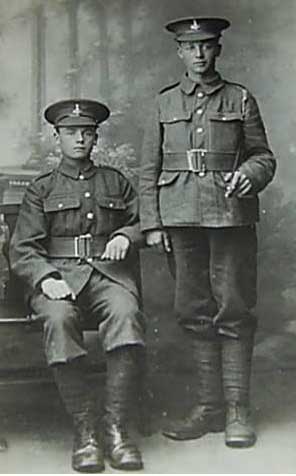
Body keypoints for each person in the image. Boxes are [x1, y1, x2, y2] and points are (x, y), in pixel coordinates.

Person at [139, 17, 276, 448]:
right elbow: (149, 171)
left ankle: (237, 410)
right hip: (180, 219)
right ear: (179, 52)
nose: (199, 55)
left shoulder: (240, 98)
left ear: (218, 50)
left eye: (207, 46)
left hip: (230, 216)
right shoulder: (162, 104)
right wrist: (152, 224)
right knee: (192, 310)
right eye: (189, 47)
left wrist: (251, 176)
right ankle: (208, 407)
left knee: (233, 309)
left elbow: (263, 157)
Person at [9, 99, 145, 472]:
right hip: (58, 277)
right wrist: (46, 278)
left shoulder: (114, 181)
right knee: (58, 319)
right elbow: (22, 248)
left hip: (106, 275)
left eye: (87, 133)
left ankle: (116, 429)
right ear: (58, 138)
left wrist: (126, 234)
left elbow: (143, 219)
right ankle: (85, 429)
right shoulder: (43, 188)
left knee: (126, 313)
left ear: (96, 138)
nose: (80, 140)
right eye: (71, 133)